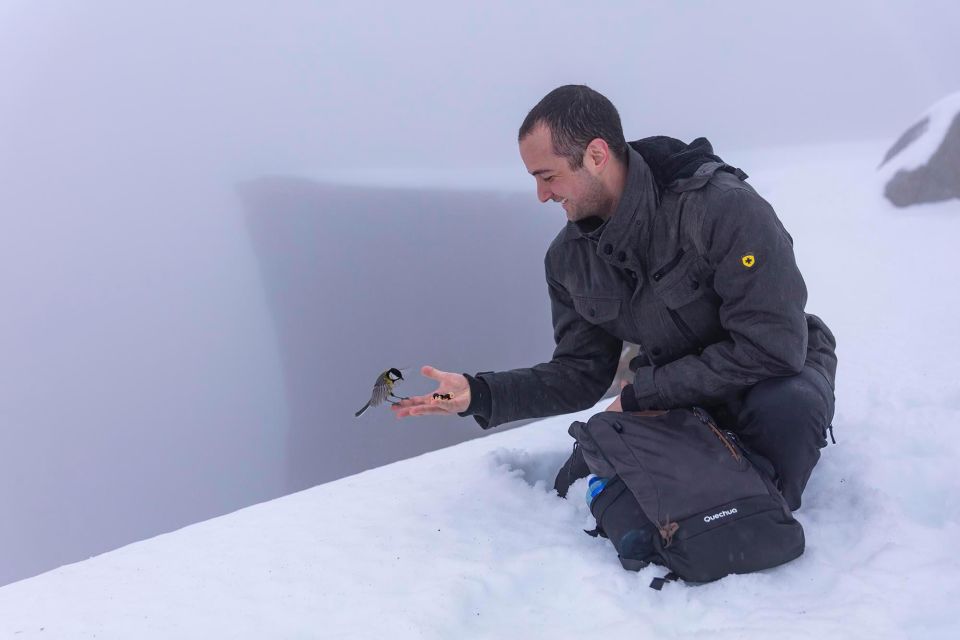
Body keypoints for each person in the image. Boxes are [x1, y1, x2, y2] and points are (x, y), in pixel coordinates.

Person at [392, 85, 837, 511]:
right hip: (680, 397)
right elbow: (580, 374)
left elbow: (772, 346)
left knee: (786, 415)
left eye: (548, 176)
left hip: (768, 379)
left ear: (597, 155)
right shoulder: (567, 260)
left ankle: (743, 513)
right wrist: (477, 394)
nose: (541, 195)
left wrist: (645, 393)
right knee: (576, 486)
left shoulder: (722, 209)